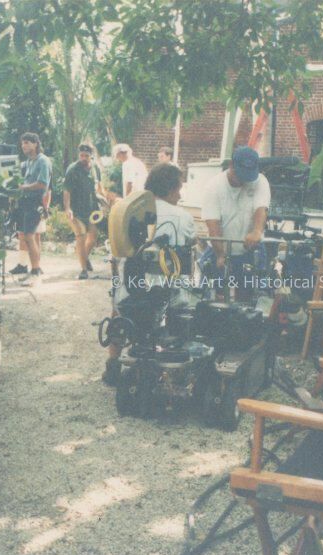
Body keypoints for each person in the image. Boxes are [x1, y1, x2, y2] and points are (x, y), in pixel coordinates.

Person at [104, 163, 195, 385]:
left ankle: (112, 363)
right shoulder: (182, 216)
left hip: (130, 286)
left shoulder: (129, 210)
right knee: (186, 298)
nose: (180, 195)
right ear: (171, 189)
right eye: (179, 189)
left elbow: (116, 253)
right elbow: (189, 248)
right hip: (167, 291)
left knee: (119, 309)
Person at [201, 146, 270, 298]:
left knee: (251, 297)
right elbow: (213, 225)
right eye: (241, 175)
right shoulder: (213, 187)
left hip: (250, 249)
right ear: (231, 166)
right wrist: (220, 254)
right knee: (212, 296)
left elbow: (261, 209)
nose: (245, 180)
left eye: (248, 176)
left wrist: (257, 231)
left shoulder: (261, 181)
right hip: (219, 247)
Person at [15, 132, 52, 286]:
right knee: (27, 237)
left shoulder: (43, 161)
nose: (24, 146)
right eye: (23, 143)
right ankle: (34, 270)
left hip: (35, 202)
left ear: (36, 144)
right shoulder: (29, 162)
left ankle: (36, 273)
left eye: (27, 142)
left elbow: (43, 184)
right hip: (25, 202)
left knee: (30, 237)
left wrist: (23, 187)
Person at [63, 143, 102, 280]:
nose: (84, 158)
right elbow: (66, 190)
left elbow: (99, 187)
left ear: (91, 155)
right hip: (76, 210)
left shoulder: (95, 168)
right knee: (81, 236)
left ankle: (84, 257)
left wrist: (105, 201)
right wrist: (67, 208)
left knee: (93, 237)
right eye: (81, 155)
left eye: (86, 155)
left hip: (91, 210)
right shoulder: (72, 169)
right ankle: (83, 270)